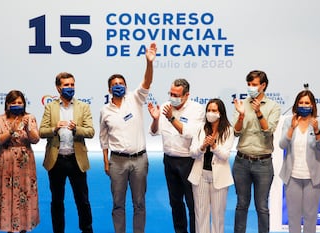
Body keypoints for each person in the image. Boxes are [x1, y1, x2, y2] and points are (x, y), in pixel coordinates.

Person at [99, 42, 157, 233]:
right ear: (109, 90)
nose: (118, 86)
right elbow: (103, 138)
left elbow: (147, 82)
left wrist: (149, 63)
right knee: (118, 204)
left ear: (126, 86)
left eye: (121, 84)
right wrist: (106, 162)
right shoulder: (105, 111)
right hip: (117, 162)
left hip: (139, 159)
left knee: (139, 203)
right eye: (114, 85)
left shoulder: (135, 98)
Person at [39, 72, 94, 233]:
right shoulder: (50, 107)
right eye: (66, 85)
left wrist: (76, 129)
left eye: (72, 85)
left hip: (76, 160)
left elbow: (90, 131)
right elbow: (42, 132)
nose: (70, 88)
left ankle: (87, 229)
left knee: (83, 200)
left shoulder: (83, 107)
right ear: (58, 88)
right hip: (56, 160)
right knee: (57, 200)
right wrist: (54, 129)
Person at [148, 78, 205, 233]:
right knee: (175, 202)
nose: (172, 97)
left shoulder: (197, 109)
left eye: (176, 94)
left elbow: (189, 133)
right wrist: (155, 119)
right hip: (169, 161)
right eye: (170, 93)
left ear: (186, 95)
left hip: (189, 161)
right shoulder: (166, 106)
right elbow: (153, 132)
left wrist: (171, 118)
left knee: (192, 202)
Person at [232, 70, 281, 233]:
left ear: (263, 86)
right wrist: (240, 116)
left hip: (263, 162)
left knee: (262, 206)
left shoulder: (274, 106)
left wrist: (259, 112)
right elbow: (236, 132)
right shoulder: (242, 104)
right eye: (248, 84)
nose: (250, 88)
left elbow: (269, 131)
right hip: (241, 162)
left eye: (254, 85)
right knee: (241, 204)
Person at [279, 90, 320, 233]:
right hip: (292, 176)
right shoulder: (289, 121)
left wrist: (317, 131)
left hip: (313, 178)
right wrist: (291, 129)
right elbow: (282, 145)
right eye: (301, 102)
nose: (304, 105)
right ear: (296, 104)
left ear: (312, 105)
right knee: (293, 217)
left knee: (310, 217)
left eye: (307, 103)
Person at [0, 90, 40, 233]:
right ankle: (9, 228)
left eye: (20, 102)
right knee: (7, 193)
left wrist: (28, 129)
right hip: (6, 160)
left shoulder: (30, 118)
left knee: (25, 193)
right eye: (13, 103)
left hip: (25, 162)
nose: (17, 105)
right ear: (7, 104)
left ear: (24, 104)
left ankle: (24, 226)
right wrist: (11, 131)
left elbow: (36, 139)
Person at [187, 98, 234, 233]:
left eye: (214, 110)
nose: (210, 113)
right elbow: (192, 152)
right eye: (208, 110)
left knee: (218, 216)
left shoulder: (228, 130)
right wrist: (203, 146)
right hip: (200, 176)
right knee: (200, 214)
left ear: (220, 113)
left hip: (219, 177)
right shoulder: (200, 128)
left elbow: (224, 156)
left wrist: (213, 145)